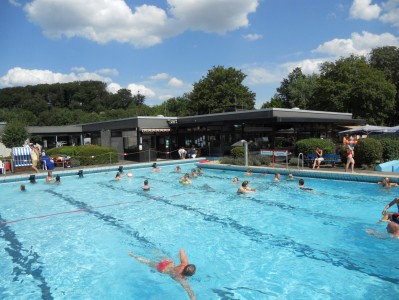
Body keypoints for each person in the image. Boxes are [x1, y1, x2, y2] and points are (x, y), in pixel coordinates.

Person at [128, 248, 196, 300]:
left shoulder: (184, 263)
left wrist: (175, 257)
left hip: (168, 261)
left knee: (154, 250)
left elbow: (181, 250)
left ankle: (134, 251)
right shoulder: (181, 279)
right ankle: (132, 255)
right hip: (163, 269)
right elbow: (190, 292)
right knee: (147, 262)